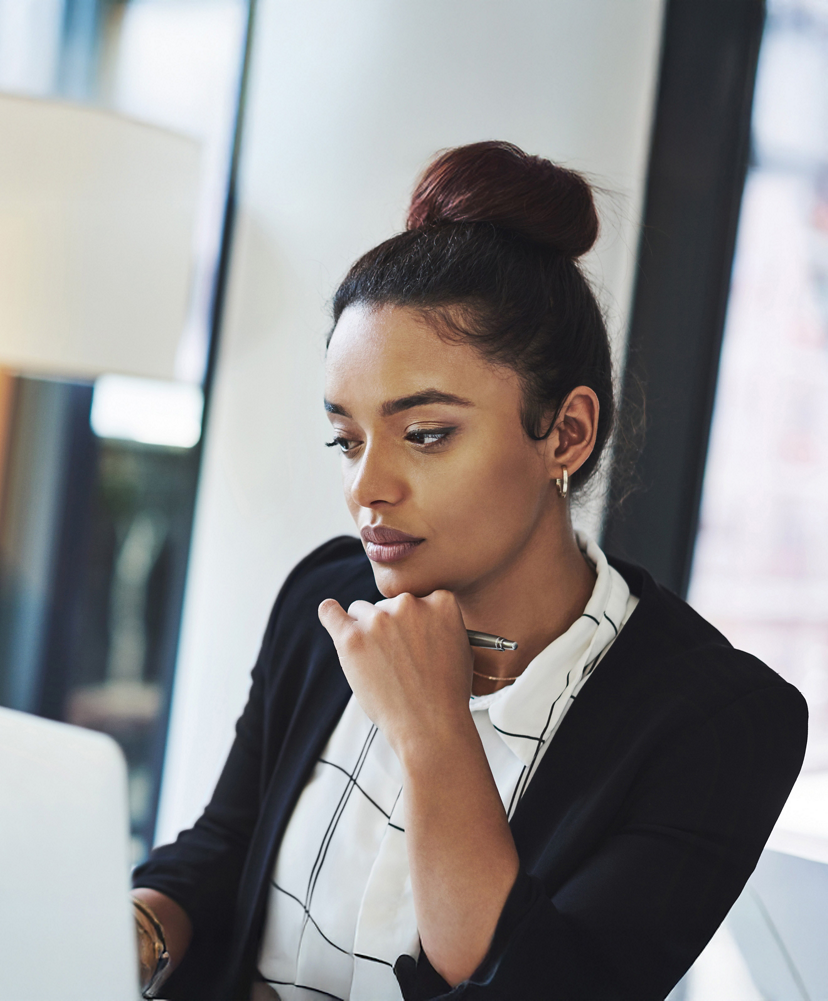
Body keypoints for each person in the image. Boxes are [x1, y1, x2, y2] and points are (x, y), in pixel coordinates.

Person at [127, 141, 808, 1001]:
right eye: (347, 438)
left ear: (565, 433)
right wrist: (135, 932)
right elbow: (223, 850)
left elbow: (546, 986)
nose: (366, 487)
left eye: (425, 434)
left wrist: (432, 729)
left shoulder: (720, 724)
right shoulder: (325, 597)